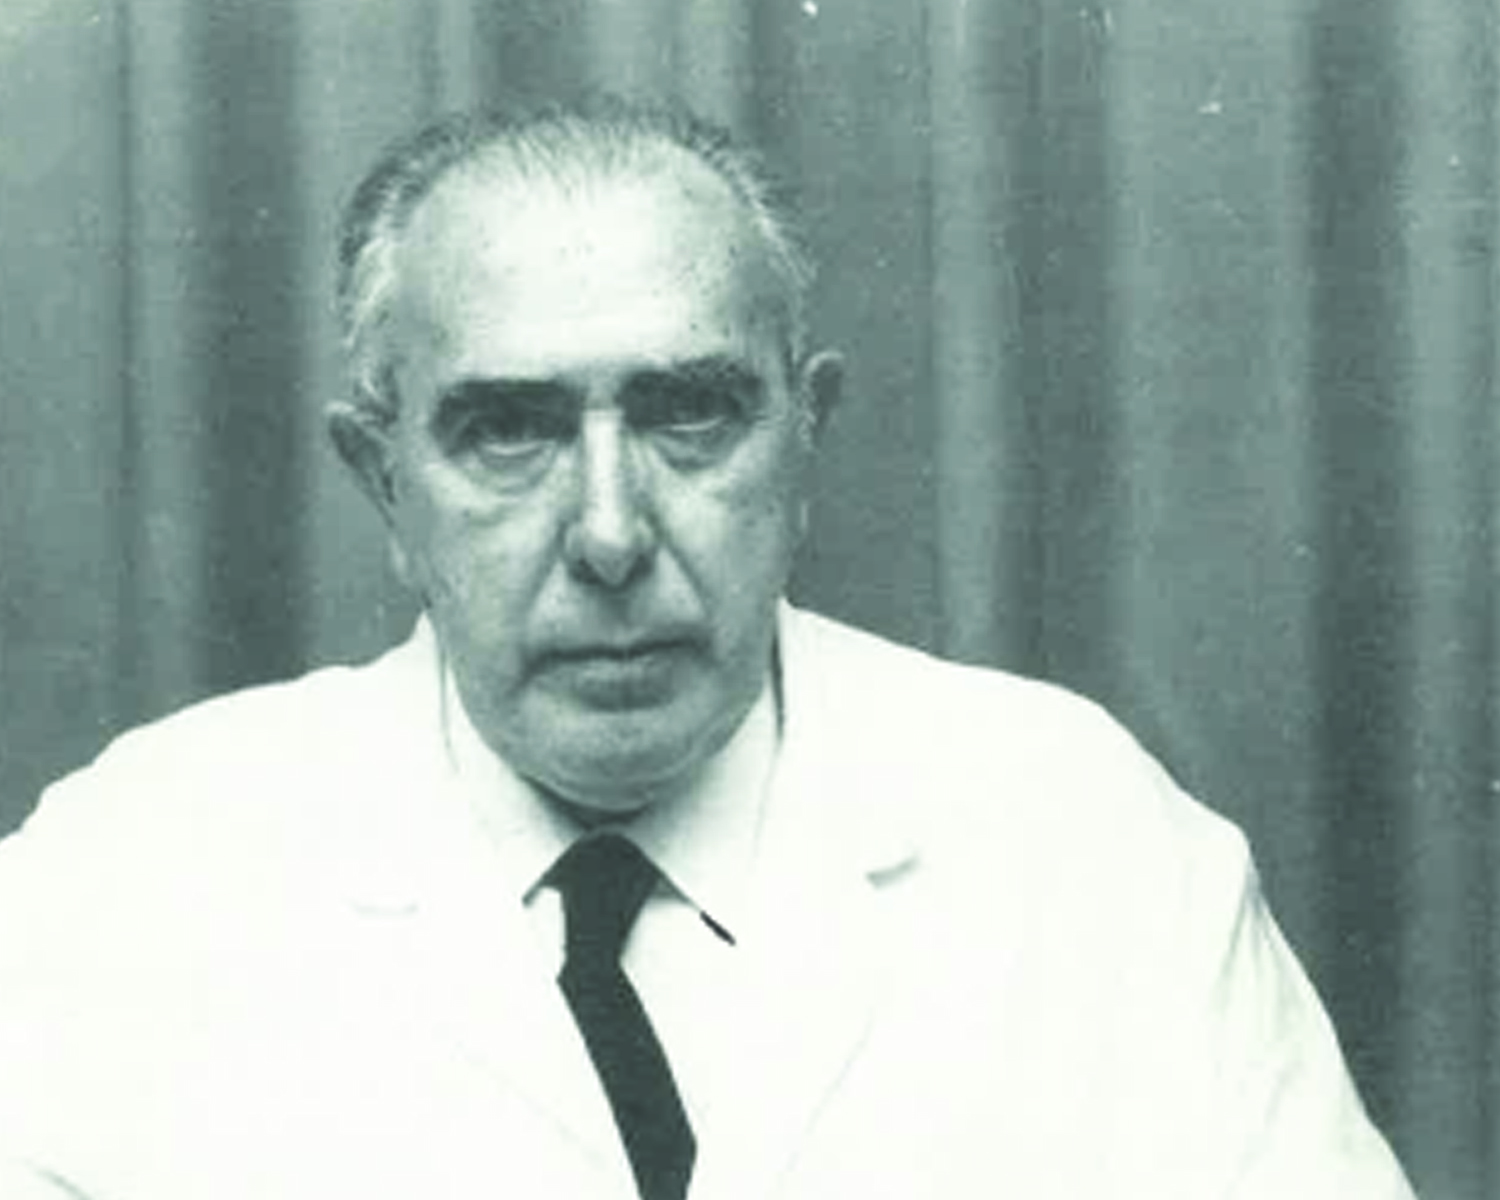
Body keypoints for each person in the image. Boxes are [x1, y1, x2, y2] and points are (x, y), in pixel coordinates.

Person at [0, 99, 1415, 1200]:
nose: (611, 535)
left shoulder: (1083, 840)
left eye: (690, 416)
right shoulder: (128, 879)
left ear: (805, 442)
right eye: (510, 432)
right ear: (383, 483)